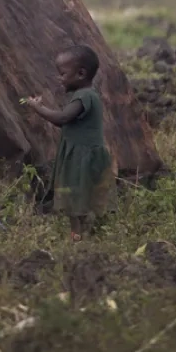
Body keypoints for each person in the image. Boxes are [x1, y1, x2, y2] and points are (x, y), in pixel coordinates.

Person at [25, 45, 116, 241]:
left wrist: (37, 108)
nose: (59, 78)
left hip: (82, 155)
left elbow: (62, 119)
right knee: (81, 196)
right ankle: (84, 233)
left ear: (81, 73)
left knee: (75, 197)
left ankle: (77, 235)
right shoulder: (85, 95)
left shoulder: (84, 96)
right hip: (80, 152)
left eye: (63, 74)